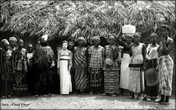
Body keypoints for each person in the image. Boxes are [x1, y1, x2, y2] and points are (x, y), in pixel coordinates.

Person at [157, 25, 174, 105]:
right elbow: (160, 52)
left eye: (165, 30)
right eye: (162, 31)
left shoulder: (170, 40)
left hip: (167, 61)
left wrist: (163, 42)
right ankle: (162, 97)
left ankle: (166, 99)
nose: (163, 32)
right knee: (162, 80)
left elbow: (166, 51)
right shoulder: (161, 41)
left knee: (167, 80)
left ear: (168, 31)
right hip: (161, 60)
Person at [128, 32, 145, 99]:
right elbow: (130, 54)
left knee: (139, 79)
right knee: (132, 78)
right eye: (135, 37)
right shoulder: (131, 46)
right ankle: (132, 93)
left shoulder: (142, 45)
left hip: (140, 64)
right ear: (133, 38)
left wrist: (144, 64)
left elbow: (144, 55)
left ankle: (139, 94)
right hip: (133, 63)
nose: (136, 39)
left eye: (137, 37)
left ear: (140, 38)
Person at [119, 24, 135, 95]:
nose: (129, 39)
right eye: (127, 38)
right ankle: (122, 89)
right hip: (124, 60)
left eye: (130, 38)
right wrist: (120, 31)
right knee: (123, 74)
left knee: (129, 75)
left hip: (130, 59)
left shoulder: (132, 44)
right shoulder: (124, 43)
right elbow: (117, 39)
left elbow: (127, 46)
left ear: (132, 39)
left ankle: (129, 89)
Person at [143, 33, 160, 101]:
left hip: (155, 63)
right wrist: (145, 63)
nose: (153, 39)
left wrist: (158, 65)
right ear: (150, 39)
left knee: (155, 80)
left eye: (155, 37)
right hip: (148, 63)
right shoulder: (148, 46)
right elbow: (146, 55)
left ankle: (155, 95)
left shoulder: (159, 46)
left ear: (157, 38)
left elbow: (159, 56)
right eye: (152, 37)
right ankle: (148, 95)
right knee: (148, 79)